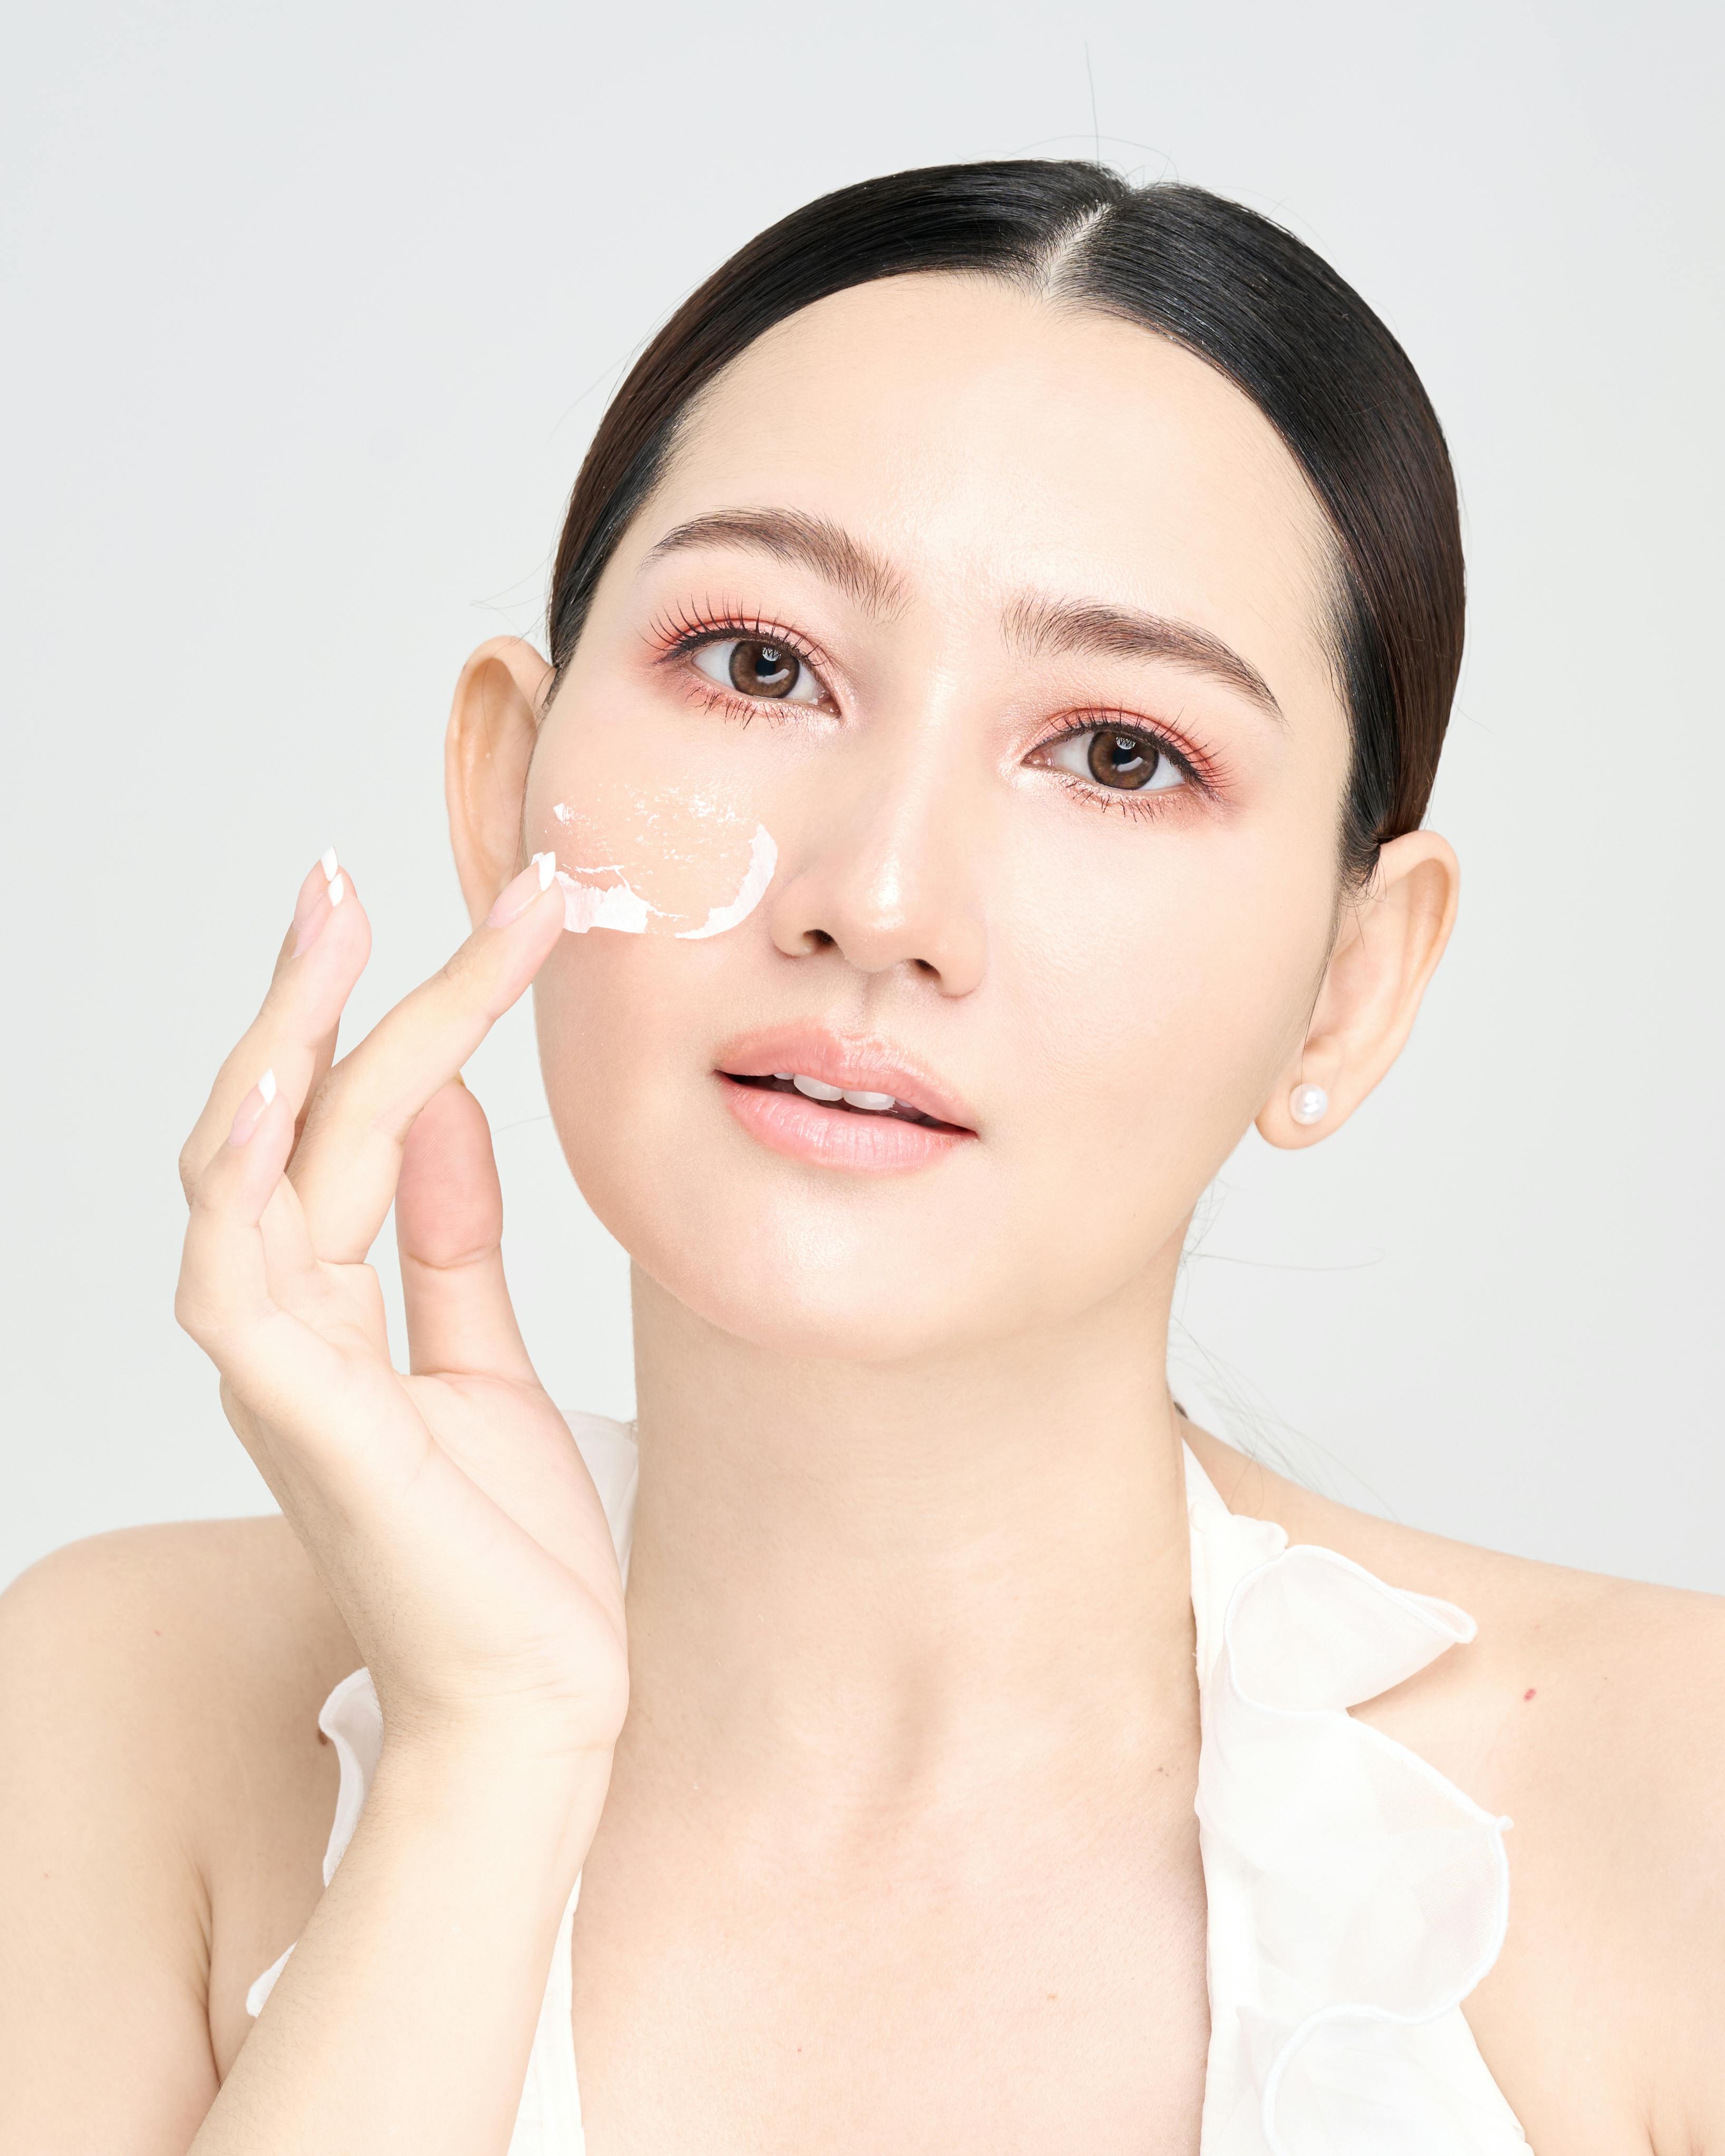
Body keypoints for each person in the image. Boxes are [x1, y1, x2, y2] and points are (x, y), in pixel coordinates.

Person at [1, 159, 1720, 2156]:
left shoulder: (1672, 1806)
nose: (881, 895)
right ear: (507, 790)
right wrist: (485, 1761)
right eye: (760, 664)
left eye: (1121, 753)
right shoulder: (104, 1724)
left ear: (1352, 984)